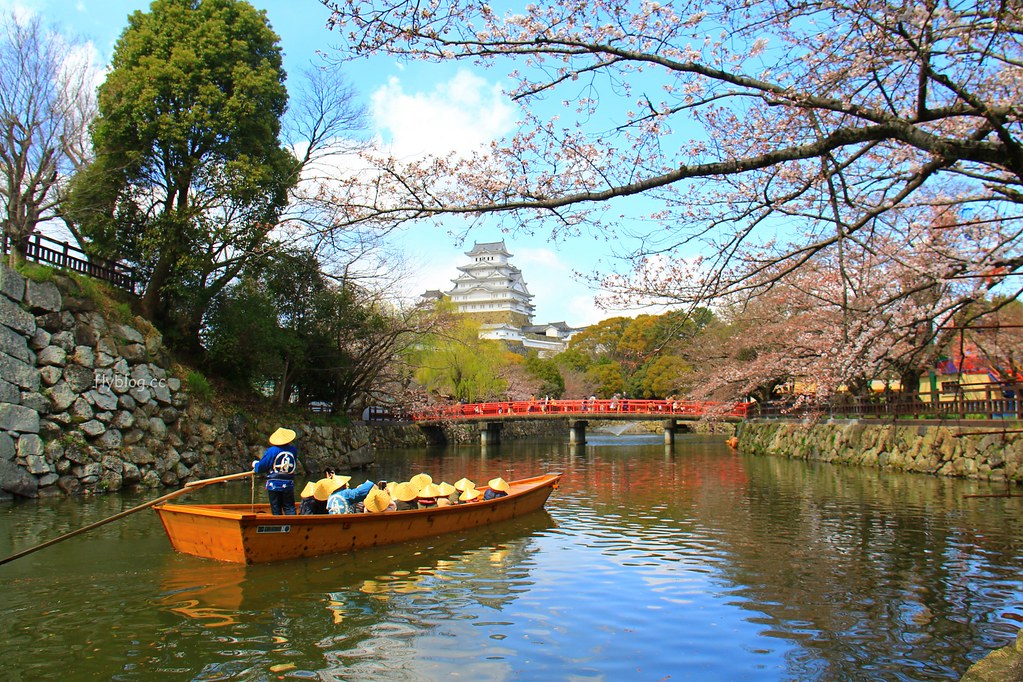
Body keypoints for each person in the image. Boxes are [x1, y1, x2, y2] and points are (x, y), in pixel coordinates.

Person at [252, 427, 301, 515]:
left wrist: (255, 465)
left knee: (276, 507)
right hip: (288, 483)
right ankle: (292, 522)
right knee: (289, 507)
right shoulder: (293, 450)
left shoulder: (272, 451)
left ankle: (278, 522)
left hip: (274, 484)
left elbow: (262, 466)